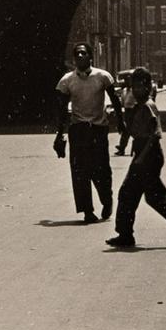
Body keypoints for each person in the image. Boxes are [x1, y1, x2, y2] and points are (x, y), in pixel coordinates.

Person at [104, 67, 166, 250]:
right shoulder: (138, 105)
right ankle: (125, 234)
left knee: (149, 195)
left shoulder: (148, 106)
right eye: (134, 86)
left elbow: (155, 135)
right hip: (143, 153)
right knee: (133, 194)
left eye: (140, 86)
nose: (136, 90)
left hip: (149, 154)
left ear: (148, 87)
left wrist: (141, 158)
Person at [53, 43, 125, 224]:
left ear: (90, 57)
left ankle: (106, 200)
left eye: (83, 54)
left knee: (101, 170)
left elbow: (115, 100)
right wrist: (60, 133)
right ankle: (87, 211)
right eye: (77, 54)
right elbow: (61, 109)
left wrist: (122, 123)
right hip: (78, 130)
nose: (80, 57)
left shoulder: (102, 77)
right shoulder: (67, 81)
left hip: (98, 129)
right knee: (80, 171)